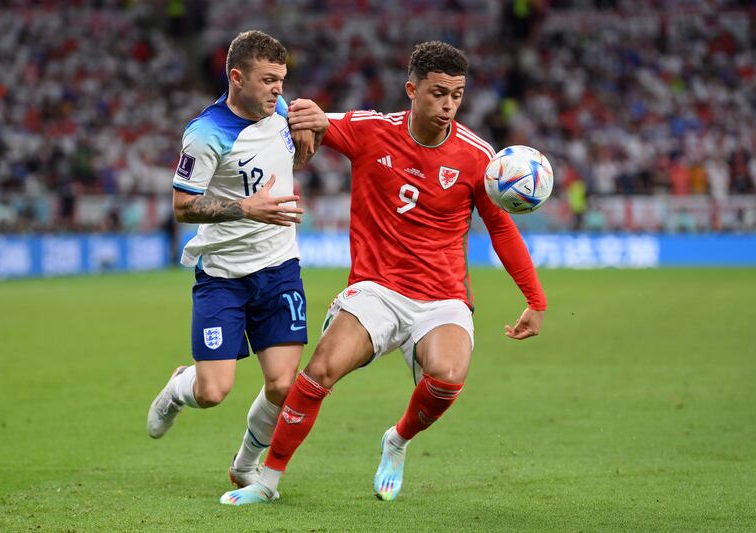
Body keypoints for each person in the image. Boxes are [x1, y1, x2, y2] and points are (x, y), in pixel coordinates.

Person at [221, 41, 547, 505]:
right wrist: (305, 112)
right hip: (375, 290)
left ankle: (396, 440)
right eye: (438, 93)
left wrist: (536, 300)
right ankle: (267, 480)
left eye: (457, 94)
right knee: (319, 371)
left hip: (442, 297)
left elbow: (501, 229)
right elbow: (310, 118)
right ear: (412, 89)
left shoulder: (478, 157)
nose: (448, 105)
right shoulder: (371, 130)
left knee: (448, 378)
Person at [146, 30, 318, 491]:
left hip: (279, 268)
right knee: (213, 391)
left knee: (284, 386)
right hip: (223, 275)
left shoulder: (278, 110)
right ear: (238, 78)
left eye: (282, 79)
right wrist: (247, 209)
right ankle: (179, 386)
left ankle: (245, 465)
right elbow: (183, 208)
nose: (279, 90)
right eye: (268, 80)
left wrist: (303, 147)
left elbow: (271, 164)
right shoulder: (204, 134)